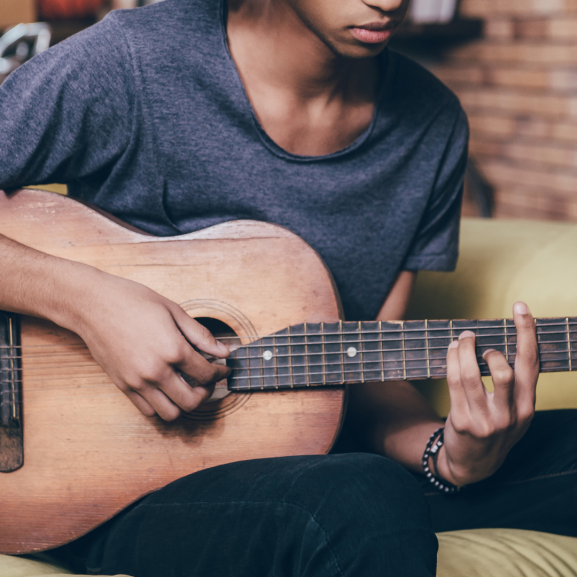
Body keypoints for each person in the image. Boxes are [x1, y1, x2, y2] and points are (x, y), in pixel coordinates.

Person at [0, 0, 573, 575]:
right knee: (358, 496)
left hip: (304, 476)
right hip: (96, 485)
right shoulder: (135, 59)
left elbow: (367, 358)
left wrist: (445, 454)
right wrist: (89, 303)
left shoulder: (431, 121)